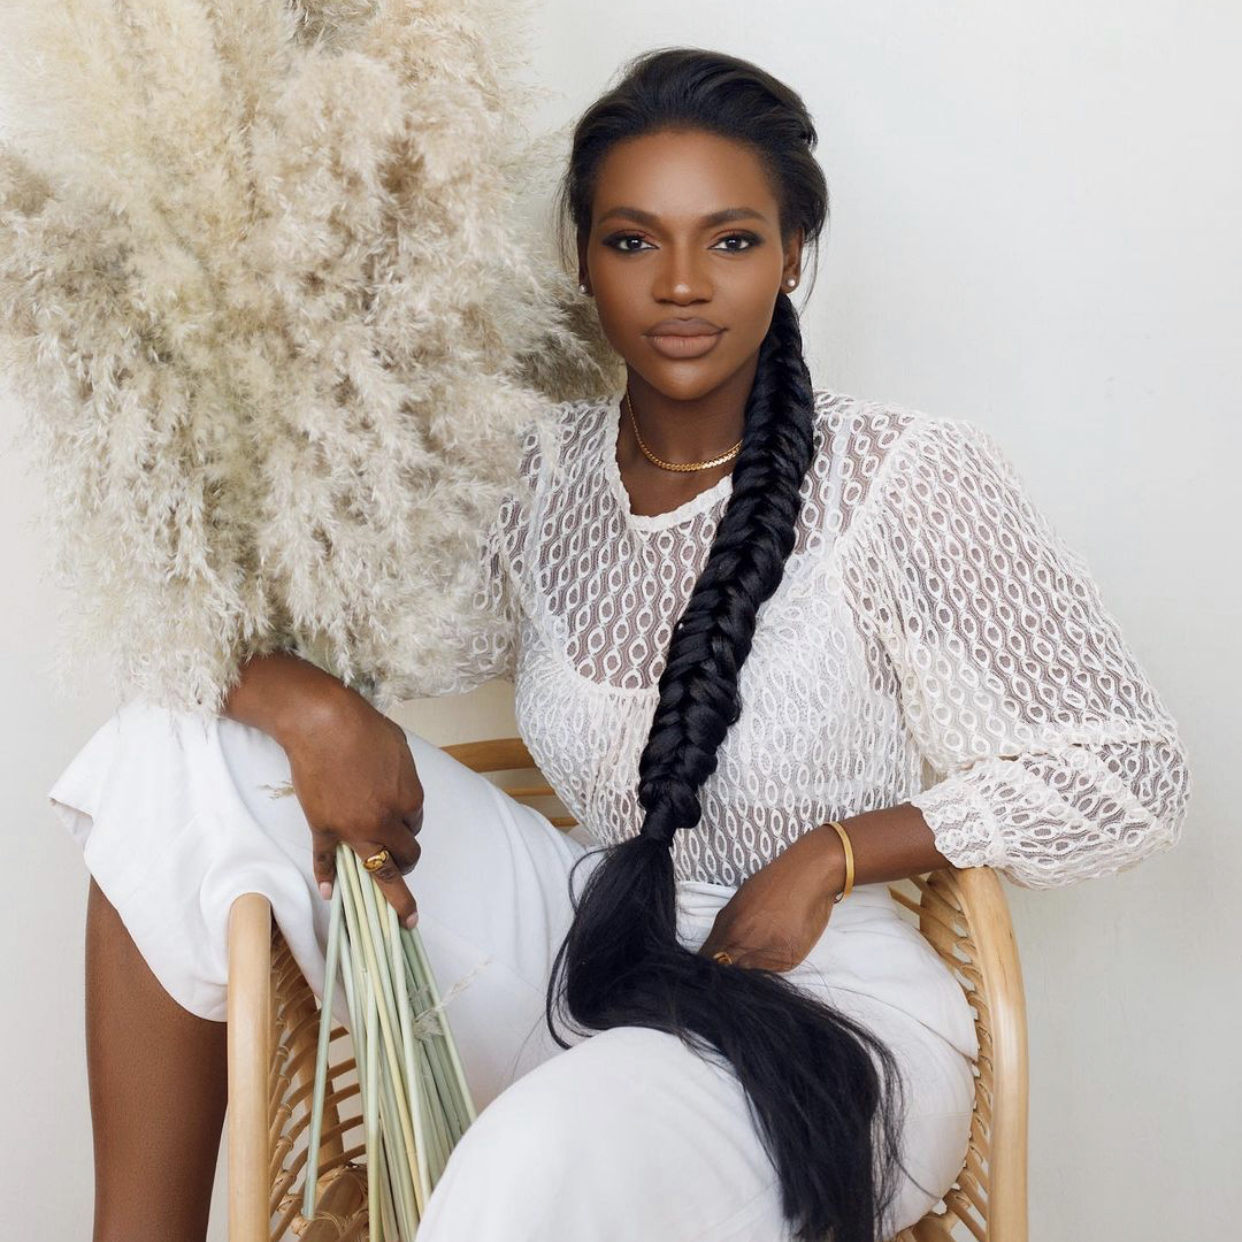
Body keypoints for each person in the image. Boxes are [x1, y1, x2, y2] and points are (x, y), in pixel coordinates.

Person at [48, 46, 1191, 1242]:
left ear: (795, 253)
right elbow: (335, 635)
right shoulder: (536, 471)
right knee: (168, 750)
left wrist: (829, 855)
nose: (683, 284)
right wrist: (318, 708)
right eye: (635, 241)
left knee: (539, 1158)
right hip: (590, 939)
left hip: (822, 1005)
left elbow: (1128, 769)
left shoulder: (907, 475)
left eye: (732, 240)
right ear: (582, 263)